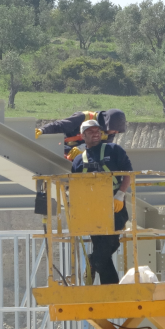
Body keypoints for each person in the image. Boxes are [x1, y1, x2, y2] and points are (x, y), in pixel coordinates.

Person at [71, 119, 132, 285]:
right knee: (102, 249)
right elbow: (75, 187)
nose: (95, 133)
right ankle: (110, 287)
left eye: (97, 130)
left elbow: (128, 173)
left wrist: (120, 194)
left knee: (111, 243)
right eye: (90, 131)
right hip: (93, 210)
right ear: (83, 136)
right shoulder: (78, 161)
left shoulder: (113, 150)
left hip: (114, 205)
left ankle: (93, 260)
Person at [35, 109, 127, 160]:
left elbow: (102, 148)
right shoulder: (84, 117)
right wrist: (42, 130)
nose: (116, 133)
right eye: (115, 130)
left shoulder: (109, 132)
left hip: (85, 153)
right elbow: (60, 126)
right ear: (108, 123)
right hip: (64, 147)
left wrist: (83, 148)